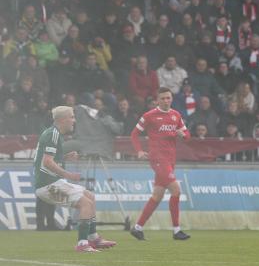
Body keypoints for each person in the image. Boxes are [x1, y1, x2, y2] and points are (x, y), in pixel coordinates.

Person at [34, 106, 115, 252]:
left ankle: (93, 238)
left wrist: (64, 157)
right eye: (71, 117)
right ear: (62, 119)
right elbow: (47, 162)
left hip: (51, 183)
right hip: (48, 186)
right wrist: (68, 175)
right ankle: (82, 244)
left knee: (90, 197)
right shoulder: (52, 134)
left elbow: (47, 159)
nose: (74, 120)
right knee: (85, 204)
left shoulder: (53, 133)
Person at [129, 87, 191, 240]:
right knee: (176, 190)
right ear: (157, 100)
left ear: (171, 99)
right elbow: (134, 134)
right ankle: (176, 230)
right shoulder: (149, 116)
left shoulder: (176, 115)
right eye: (162, 98)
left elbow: (187, 135)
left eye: (168, 98)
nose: (166, 101)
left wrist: (182, 135)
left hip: (170, 160)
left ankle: (137, 228)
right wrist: (139, 151)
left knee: (157, 195)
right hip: (158, 159)